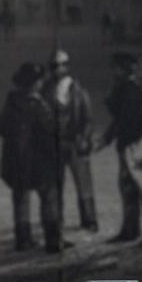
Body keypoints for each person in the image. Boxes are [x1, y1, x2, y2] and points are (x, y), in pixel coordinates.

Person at [95, 52, 142, 245]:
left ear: (123, 70)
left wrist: (108, 139)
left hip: (135, 142)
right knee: (130, 187)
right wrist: (108, 139)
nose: (113, 71)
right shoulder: (127, 88)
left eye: (116, 68)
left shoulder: (129, 90)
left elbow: (123, 119)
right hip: (132, 141)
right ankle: (132, 229)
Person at [0, 62, 64, 253]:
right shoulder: (38, 105)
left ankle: (23, 239)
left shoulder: (12, 102)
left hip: (15, 160)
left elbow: (0, 128)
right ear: (35, 83)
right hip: (38, 160)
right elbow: (51, 130)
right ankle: (53, 239)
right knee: (49, 197)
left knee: (21, 200)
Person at [44, 49, 97, 233]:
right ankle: (56, 220)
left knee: (84, 183)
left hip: (75, 142)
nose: (58, 69)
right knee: (55, 186)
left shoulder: (78, 90)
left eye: (62, 65)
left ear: (68, 67)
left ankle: (89, 219)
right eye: (54, 66)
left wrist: (84, 137)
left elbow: (88, 118)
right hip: (54, 145)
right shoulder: (46, 90)